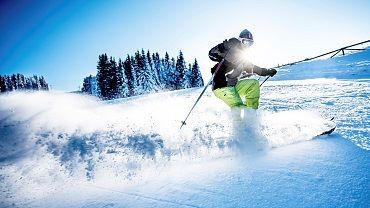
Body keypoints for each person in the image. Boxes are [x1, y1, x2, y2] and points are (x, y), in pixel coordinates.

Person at [209, 29, 277, 110]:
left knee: (253, 84)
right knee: (239, 108)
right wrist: (221, 47)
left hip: (232, 86)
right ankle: (240, 122)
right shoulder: (229, 48)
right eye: (246, 42)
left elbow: (254, 68)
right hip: (221, 86)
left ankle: (251, 112)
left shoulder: (242, 58)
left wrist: (268, 72)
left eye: (250, 43)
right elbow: (211, 54)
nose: (247, 46)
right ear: (240, 40)